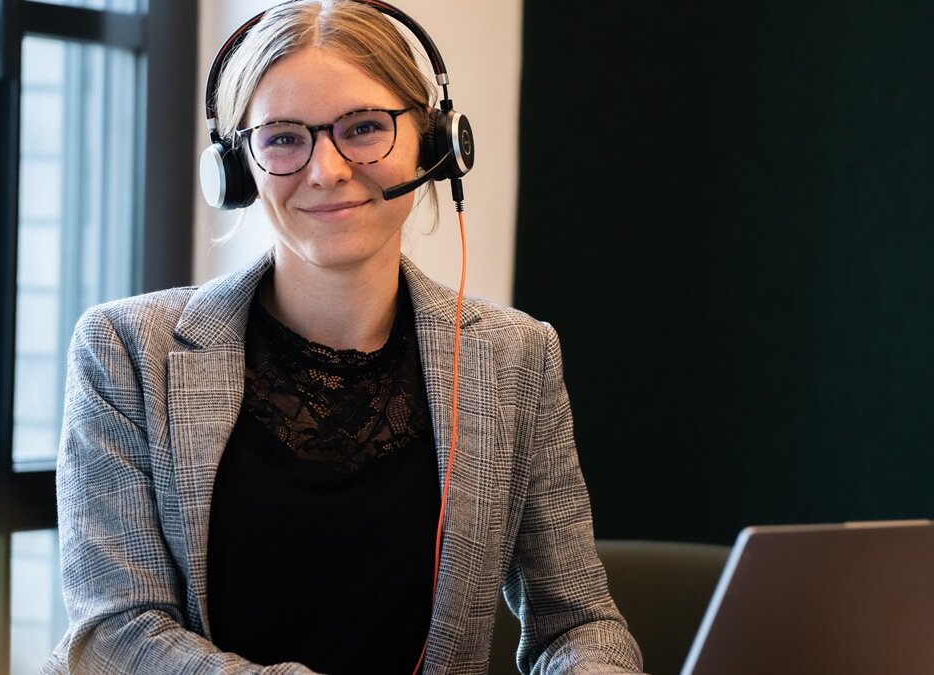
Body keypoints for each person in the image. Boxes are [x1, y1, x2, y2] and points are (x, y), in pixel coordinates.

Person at [43, 1, 644, 673]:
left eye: (362, 128)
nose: (326, 169)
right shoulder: (126, 351)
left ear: (436, 143)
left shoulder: (516, 358)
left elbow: (579, 620)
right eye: (283, 138)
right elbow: (116, 630)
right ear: (238, 168)